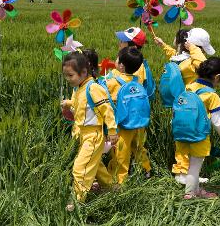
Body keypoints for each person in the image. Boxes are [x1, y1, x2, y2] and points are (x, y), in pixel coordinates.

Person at [154, 28, 214, 184]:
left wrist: (163, 45)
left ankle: (181, 172)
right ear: (197, 48)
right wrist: (192, 47)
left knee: (181, 139)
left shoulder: (178, 59)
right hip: (195, 106)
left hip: (179, 105)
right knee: (195, 139)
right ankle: (191, 173)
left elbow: (172, 54)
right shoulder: (193, 63)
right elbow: (203, 64)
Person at [61, 50, 118, 211]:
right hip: (84, 135)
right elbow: (82, 105)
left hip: (93, 135)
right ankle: (112, 189)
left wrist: (112, 131)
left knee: (80, 168)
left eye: (70, 75)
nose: (68, 79)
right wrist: (69, 104)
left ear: (84, 72)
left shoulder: (93, 88)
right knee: (96, 165)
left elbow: (107, 110)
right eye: (66, 75)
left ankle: (77, 202)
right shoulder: (81, 87)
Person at [176, 57, 220, 199]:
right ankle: (190, 194)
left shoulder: (189, 87)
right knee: (195, 167)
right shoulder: (212, 95)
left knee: (191, 164)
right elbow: (218, 122)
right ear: (217, 77)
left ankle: (196, 190)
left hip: (181, 132)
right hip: (199, 136)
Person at [105, 47, 151, 183]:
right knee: (138, 147)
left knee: (121, 153)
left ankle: (119, 181)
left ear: (121, 65)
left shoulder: (113, 81)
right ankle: (146, 170)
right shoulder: (137, 81)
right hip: (139, 122)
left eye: (117, 58)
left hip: (123, 124)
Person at [112, 27, 153, 177]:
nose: (120, 42)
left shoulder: (135, 69)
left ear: (133, 47)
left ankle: (120, 177)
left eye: (123, 40)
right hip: (139, 115)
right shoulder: (139, 63)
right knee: (138, 145)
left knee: (123, 147)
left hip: (126, 116)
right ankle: (145, 170)